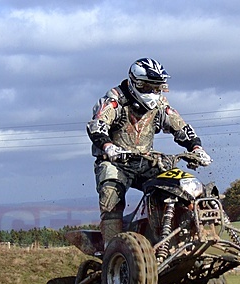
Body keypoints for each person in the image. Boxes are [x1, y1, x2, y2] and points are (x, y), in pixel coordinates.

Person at [87, 57, 213, 247]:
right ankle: (112, 250)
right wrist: (108, 146)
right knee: (111, 197)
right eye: (148, 87)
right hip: (114, 161)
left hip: (146, 160)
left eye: (157, 87)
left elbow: (180, 126)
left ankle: (177, 239)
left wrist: (196, 147)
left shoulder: (160, 104)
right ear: (135, 83)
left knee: (178, 188)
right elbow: (97, 126)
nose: (153, 92)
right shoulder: (114, 100)